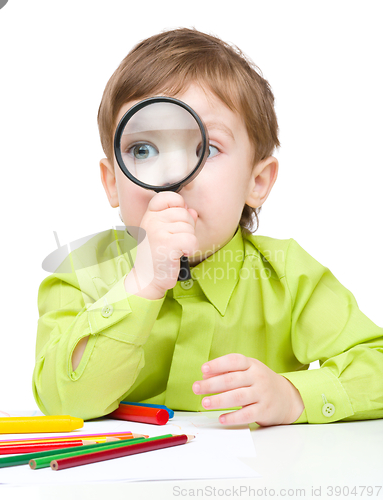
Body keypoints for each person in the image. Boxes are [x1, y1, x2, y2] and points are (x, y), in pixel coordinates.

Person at [32, 28, 383, 426]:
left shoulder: (291, 277)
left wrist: (294, 397)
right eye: (142, 150)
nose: (172, 175)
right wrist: (140, 284)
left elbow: (377, 364)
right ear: (113, 181)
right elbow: (64, 403)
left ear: (258, 182)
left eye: (207, 149)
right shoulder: (81, 271)